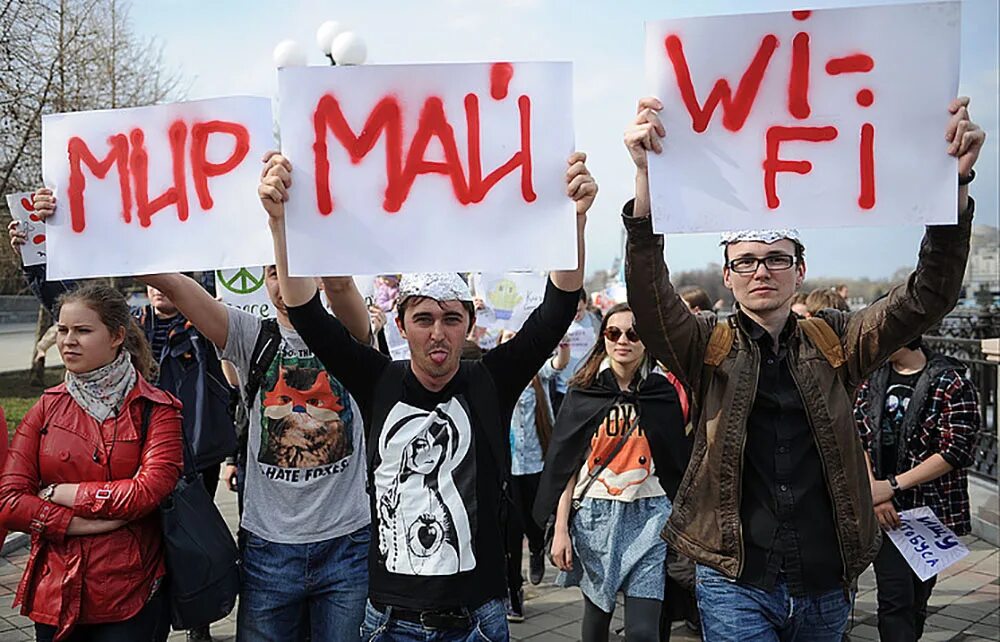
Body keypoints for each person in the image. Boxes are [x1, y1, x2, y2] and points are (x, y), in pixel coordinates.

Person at [620, 94, 984, 641]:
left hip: (824, 577)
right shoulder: (707, 346)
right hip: (736, 577)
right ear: (728, 274)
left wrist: (951, 191)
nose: (761, 271)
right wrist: (647, 181)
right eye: (745, 261)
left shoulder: (837, 338)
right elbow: (650, 301)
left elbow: (925, 297)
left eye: (776, 258)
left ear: (800, 268)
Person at [260, 150, 595, 641]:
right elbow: (307, 312)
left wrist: (575, 221)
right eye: (423, 319)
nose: (438, 333)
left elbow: (557, 307)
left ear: (468, 325)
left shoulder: (491, 380)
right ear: (401, 325)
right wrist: (280, 225)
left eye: (451, 319)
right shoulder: (377, 380)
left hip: (478, 619)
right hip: (391, 621)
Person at [0, 284, 183, 642]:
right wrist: (74, 524)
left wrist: (59, 492)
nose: (68, 341)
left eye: (83, 330)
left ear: (116, 336)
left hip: (130, 591)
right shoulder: (46, 406)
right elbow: (9, 500)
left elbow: (148, 492)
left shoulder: (156, 408)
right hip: (55, 590)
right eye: (63, 330)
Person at [534, 303, 692, 642]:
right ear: (603, 338)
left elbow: (676, 462)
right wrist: (560, 529)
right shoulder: (584, 391)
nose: (623, 340)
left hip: (651, 516)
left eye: (634, 334)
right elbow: (567, 466)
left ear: (646, 340)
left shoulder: (661, 392)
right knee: (596, 622)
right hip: (595, 516)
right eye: (614, 332)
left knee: (644, 632)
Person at [854, 337, 981, 642]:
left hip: (928, 508)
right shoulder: (871, 378)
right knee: (894, 597)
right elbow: (855, 433)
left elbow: (956, 450)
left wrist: (893, 486)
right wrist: (874, 490)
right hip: (880, 509)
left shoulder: (950, 381)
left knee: (917, 598)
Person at [503, 331, 569, 622]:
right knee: (510, 531)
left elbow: (559, 364)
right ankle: (514, 593)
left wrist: (564, 344)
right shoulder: (497, 375)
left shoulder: (536, 372)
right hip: (507, 467)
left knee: (534, 521)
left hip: (536, 463)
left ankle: (538, 547)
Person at [551, 289, 599, 415]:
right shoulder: (556, 323)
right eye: (571, 311)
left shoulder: (596, 322)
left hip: (589, 387)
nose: (575, 315)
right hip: (563, 389)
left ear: (585, 304)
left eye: (579, 310)